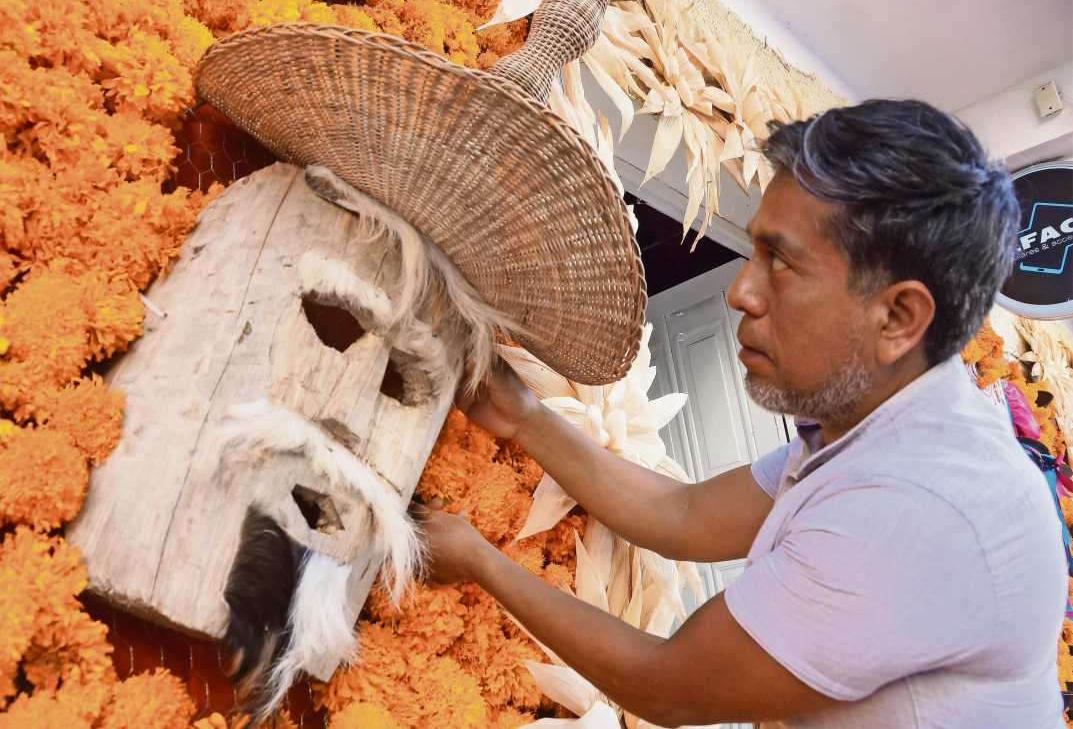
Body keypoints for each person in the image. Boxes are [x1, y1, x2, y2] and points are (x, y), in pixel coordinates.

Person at [416, 99, 1067, 727]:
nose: (739, 291)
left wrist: (478, 560)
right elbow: (683, 517)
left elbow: (667, 690)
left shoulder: (921, 501)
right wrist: (524, 417)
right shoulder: (872, 424)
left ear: (897, 317)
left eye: (779, 262)